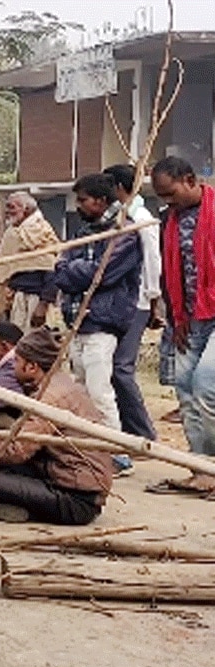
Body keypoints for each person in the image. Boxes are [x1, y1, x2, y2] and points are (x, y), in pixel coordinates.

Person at [0, 329, 112, 525]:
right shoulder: (57, 382)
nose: (13, 366)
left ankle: (21, 511)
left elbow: (17, 450)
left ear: (31, 367)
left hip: (76, 499)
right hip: (59, 474)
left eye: (16, 361)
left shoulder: (48, 397)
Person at [56, 174, 143, 437]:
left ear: (101, 201)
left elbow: (102, 273)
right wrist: (76, 271)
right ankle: (88, 448)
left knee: (99, 392)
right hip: (78, 322)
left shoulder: (124, 232)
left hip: (102, 322)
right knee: (81, 391)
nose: (78, 206)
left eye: (83, 200)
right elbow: (59, 272)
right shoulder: (83, 232)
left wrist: (75, 270)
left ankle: (114, 450)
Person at [150, 157, 215, 489]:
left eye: (170, 193)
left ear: (190, 180)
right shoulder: (169, 221)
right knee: (185, 389)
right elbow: (169, 273)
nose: (167, 201)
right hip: (188, 318)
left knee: (206, 385)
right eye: (161, 197)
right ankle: (199, 468)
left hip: (214, 313)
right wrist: (176, 317)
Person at [103, 163, 161, 441]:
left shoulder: (140, 217)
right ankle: (129, 428)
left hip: (137, 299)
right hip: (122, 300)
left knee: (121, 368)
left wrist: (152, 299)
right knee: (113, 367)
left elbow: (152, 260)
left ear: (118, 188)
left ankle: (142, 432)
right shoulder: (119, 216)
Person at [0, 192, 60, 332]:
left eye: (12, 207)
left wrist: (43, 304)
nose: (7, 212)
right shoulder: (12, 233)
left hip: (37, 298)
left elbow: (52, 269)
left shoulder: (42, 231)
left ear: (27, 210)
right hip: (16, 297)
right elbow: (4, 271)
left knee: (35, 342)